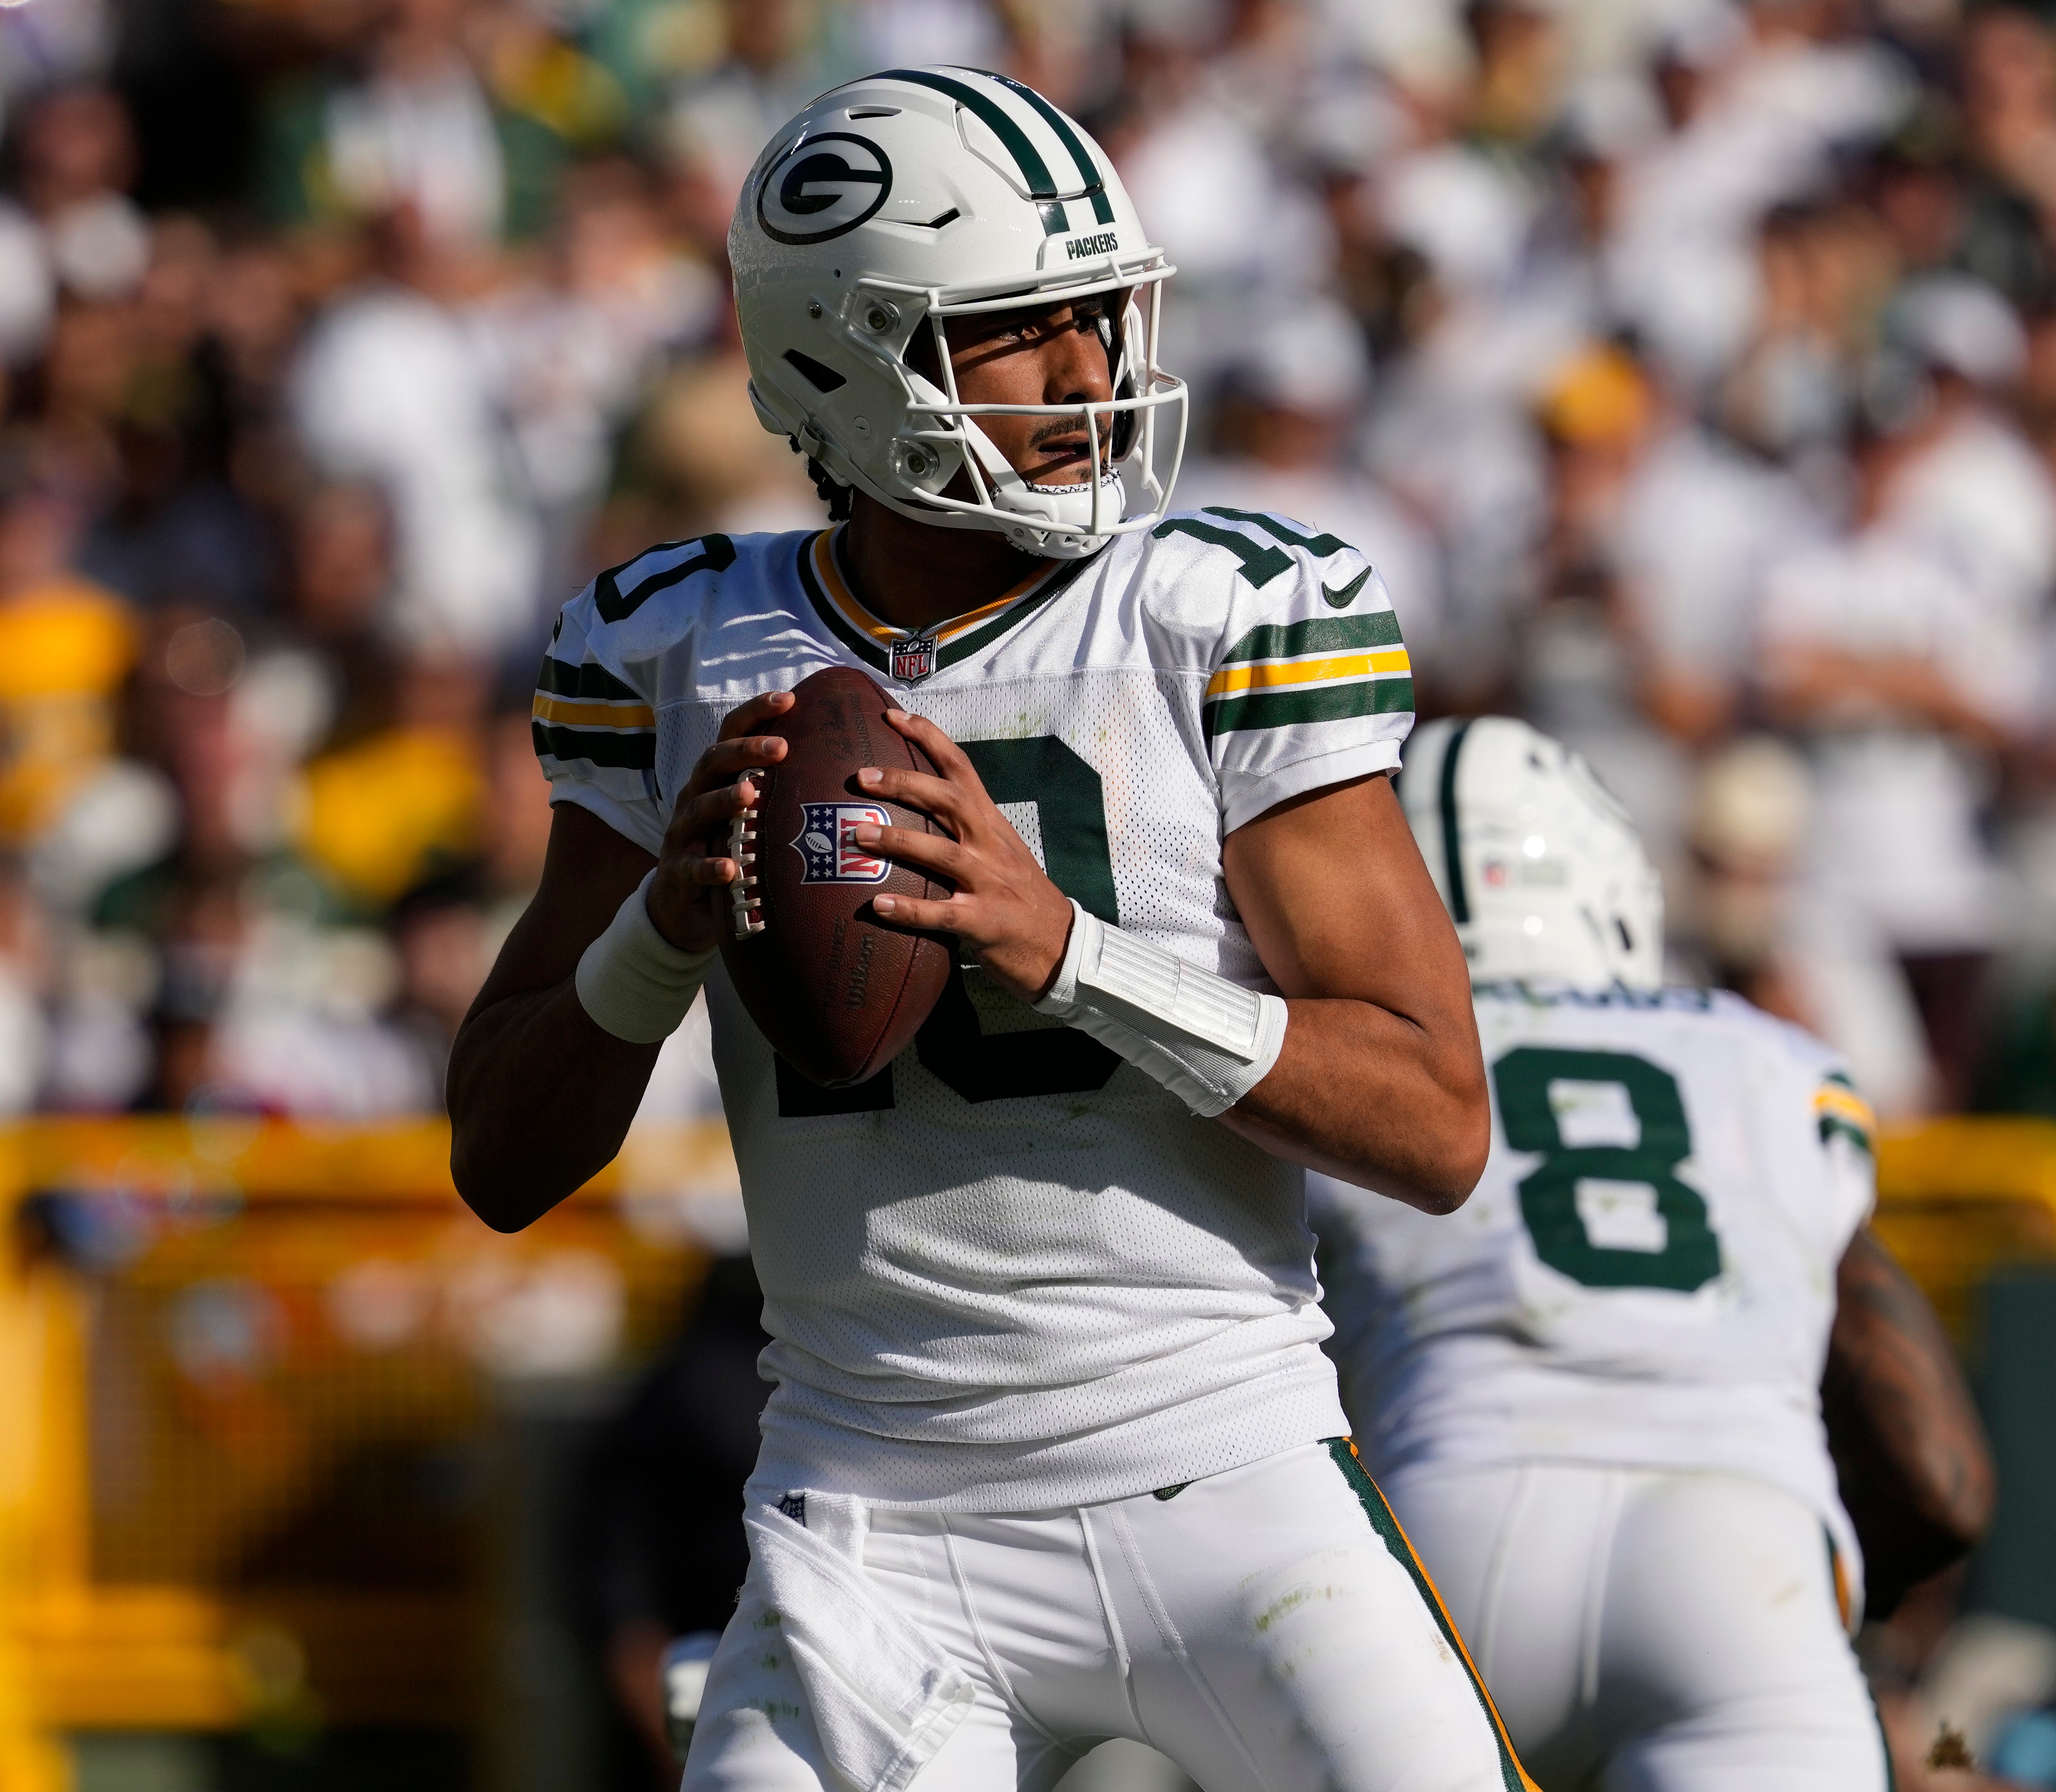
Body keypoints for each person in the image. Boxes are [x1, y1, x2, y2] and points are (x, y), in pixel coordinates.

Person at [448, 67, 1528, 1792]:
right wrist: (656, 936)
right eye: (1024, 331)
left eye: (1101, 318)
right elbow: (498, 1157)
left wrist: (1071, 953)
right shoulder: (667, 653)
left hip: (1224, 1474)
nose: (1092, 374)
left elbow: (1433, 1122)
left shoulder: (1215, 612)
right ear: (846, 359)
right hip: (867, 1516)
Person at [1309, 718, 1993, 1791]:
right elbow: (1941, 1478)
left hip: (1449, 1527)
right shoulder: (1775, 1063)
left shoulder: (1342, 1071)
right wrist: (1849, 1611)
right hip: (1740, 1545)